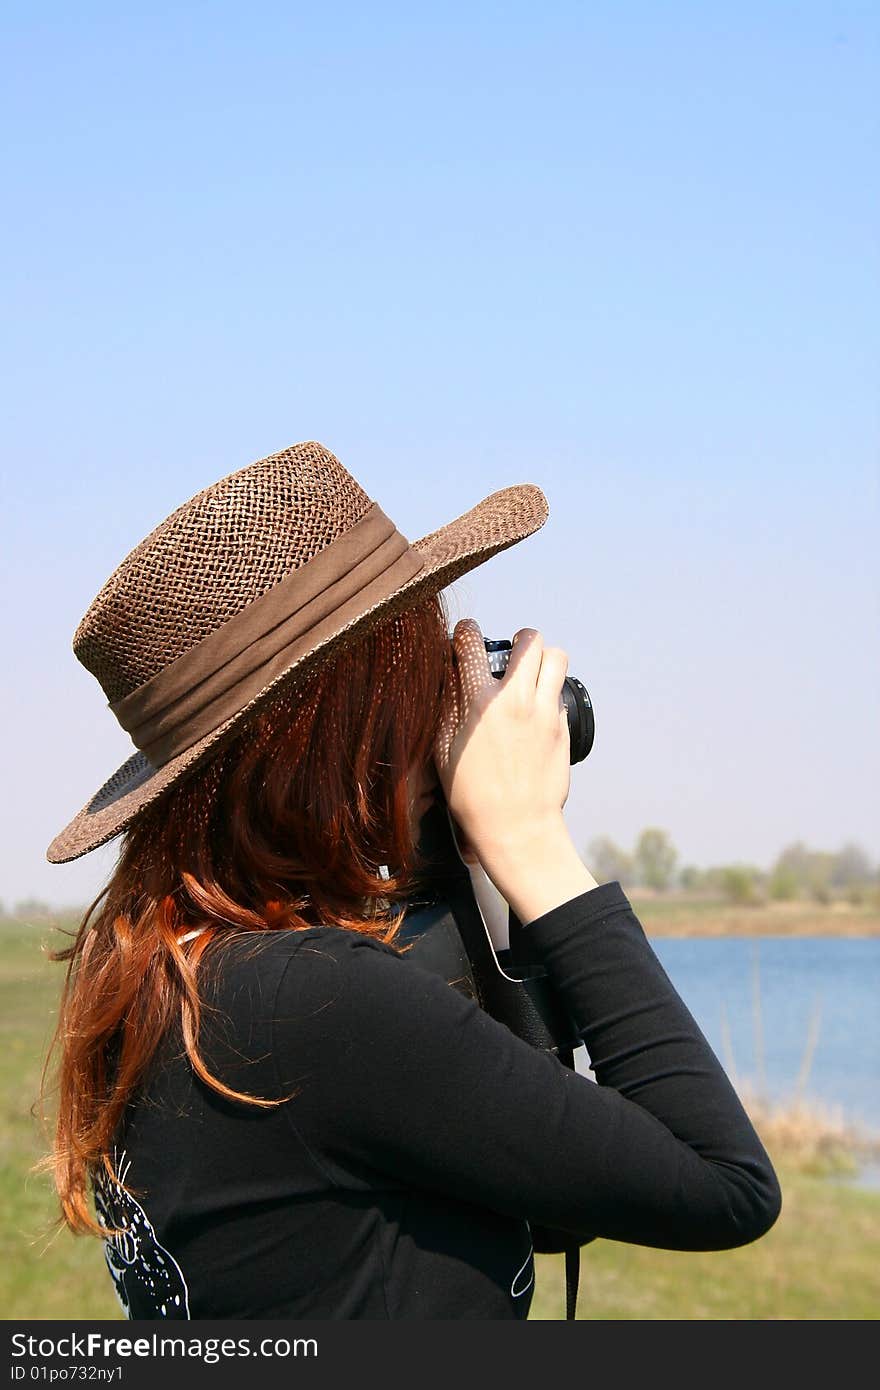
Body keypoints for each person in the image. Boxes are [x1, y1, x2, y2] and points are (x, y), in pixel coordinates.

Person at [39, 441, 781, 1320]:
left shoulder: (180, 973)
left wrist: (457, 861)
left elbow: (533, 1193)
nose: (445, 710)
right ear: (338, 738)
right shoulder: (317, 1005)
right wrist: (530, 840)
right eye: (416, 682)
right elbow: (722, 1184)